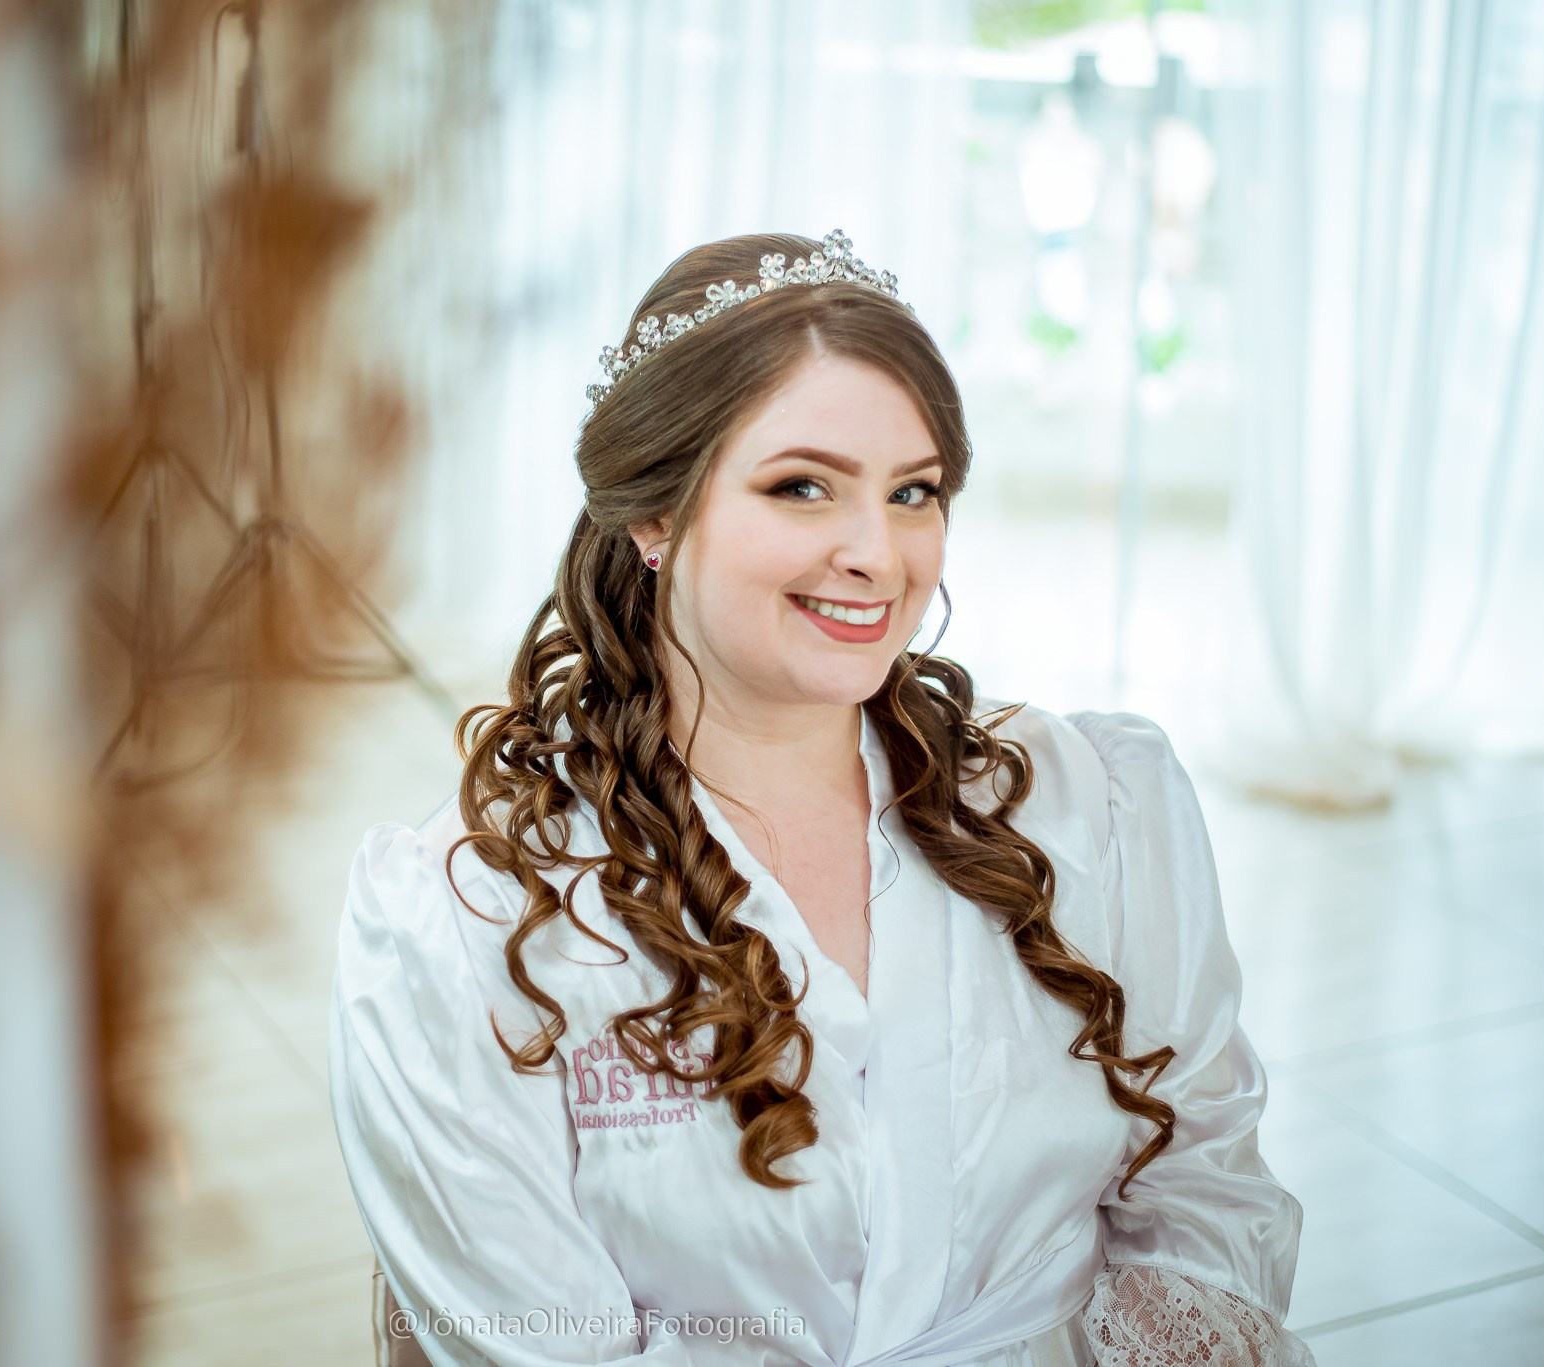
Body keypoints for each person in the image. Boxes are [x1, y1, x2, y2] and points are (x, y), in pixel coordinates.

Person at [328, 230, 1315, 1367]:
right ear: (653, 514)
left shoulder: (1092, 805)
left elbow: (1203, 1190)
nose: (876, 553)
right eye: (801, 486)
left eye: (913, 492)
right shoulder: (466, 920)